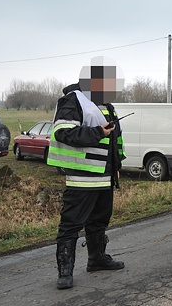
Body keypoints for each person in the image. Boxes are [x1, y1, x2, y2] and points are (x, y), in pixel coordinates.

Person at [46, 56, 127, 290]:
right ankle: (65, 271)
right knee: (71, 224)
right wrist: (96, 133)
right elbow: (63, 132)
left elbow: (116, 141)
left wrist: (117, 167)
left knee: (100, 220)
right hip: (81, 178)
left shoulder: (107, 105)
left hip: (105, 177)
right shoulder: (73, 100)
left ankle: (97, 259)